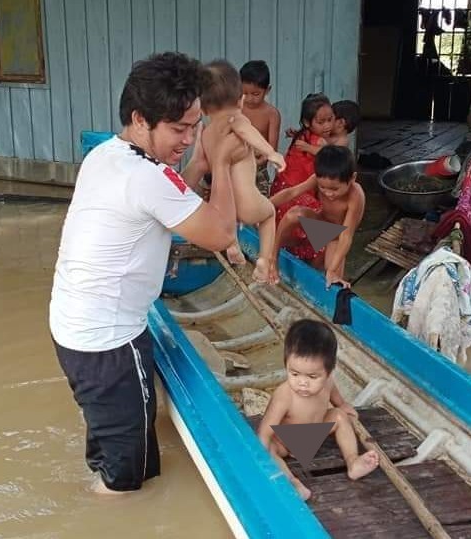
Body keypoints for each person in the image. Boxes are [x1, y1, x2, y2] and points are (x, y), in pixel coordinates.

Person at [50, 52, 241, 495]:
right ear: (140, 118)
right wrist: (225, 163)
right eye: (179, 129)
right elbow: (221, 232)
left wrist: (198, 166)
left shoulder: (108, 155)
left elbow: (172, 193)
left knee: (112, 446)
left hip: (75, 329)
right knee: (126, 482)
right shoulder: (147, 178)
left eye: (196, 127)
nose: (190, 139)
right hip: (109, 343)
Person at [257, 319, 379, 500]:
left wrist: (346, 408)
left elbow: (339, 403)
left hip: (314, 435)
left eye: (312, 376)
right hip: (284, 443)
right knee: (268, 448)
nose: (302, 383)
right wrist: (260, 459)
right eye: (294, 373)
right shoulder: (284, 394)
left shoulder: (328, 383)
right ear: (286, 366)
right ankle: (291, 482)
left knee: (338, 416)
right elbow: (264, 432)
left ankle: (352, 462)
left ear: (329, 373)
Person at [200, 59, 286, 284]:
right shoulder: (237, 118)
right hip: (246, 202)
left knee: (230, 218)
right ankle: (264, 262)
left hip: (221, 208)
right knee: (268, 215)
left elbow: (197, 166)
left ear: (202, 107)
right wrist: (271, 153)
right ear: (239, 99)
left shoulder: (205, 131)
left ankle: (232, 244)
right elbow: (247, 131)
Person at [269, 145, 365, 288]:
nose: (328, 193)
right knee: (294, 214)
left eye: (335, 189)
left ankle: (317, 264)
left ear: (352, 178)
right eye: (322, 188)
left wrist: (332, 270)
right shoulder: (317, 179)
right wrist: (263, 207)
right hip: (321, 224)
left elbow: (346, 235)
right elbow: (291, 193)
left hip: (337, 237)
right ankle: (272, 257)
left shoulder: (356, 195)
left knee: (333, 278)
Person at [240, 60, 282, 196]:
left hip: (258, 170)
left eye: (256, 94)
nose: (249, 98)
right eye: (244, 93)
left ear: (267, 90)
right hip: (235, 166)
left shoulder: (272, 114)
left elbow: (271, 149)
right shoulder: (236, 109)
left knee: (260, 207)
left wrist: (258, 161)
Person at [292, 100, 361, 151]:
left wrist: (308, 148)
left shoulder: (342, 141)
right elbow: (311, 137)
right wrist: (297, 134)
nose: (326, 125)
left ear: (340, 123)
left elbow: (328, 153)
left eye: (329, 120)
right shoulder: (327, 134)